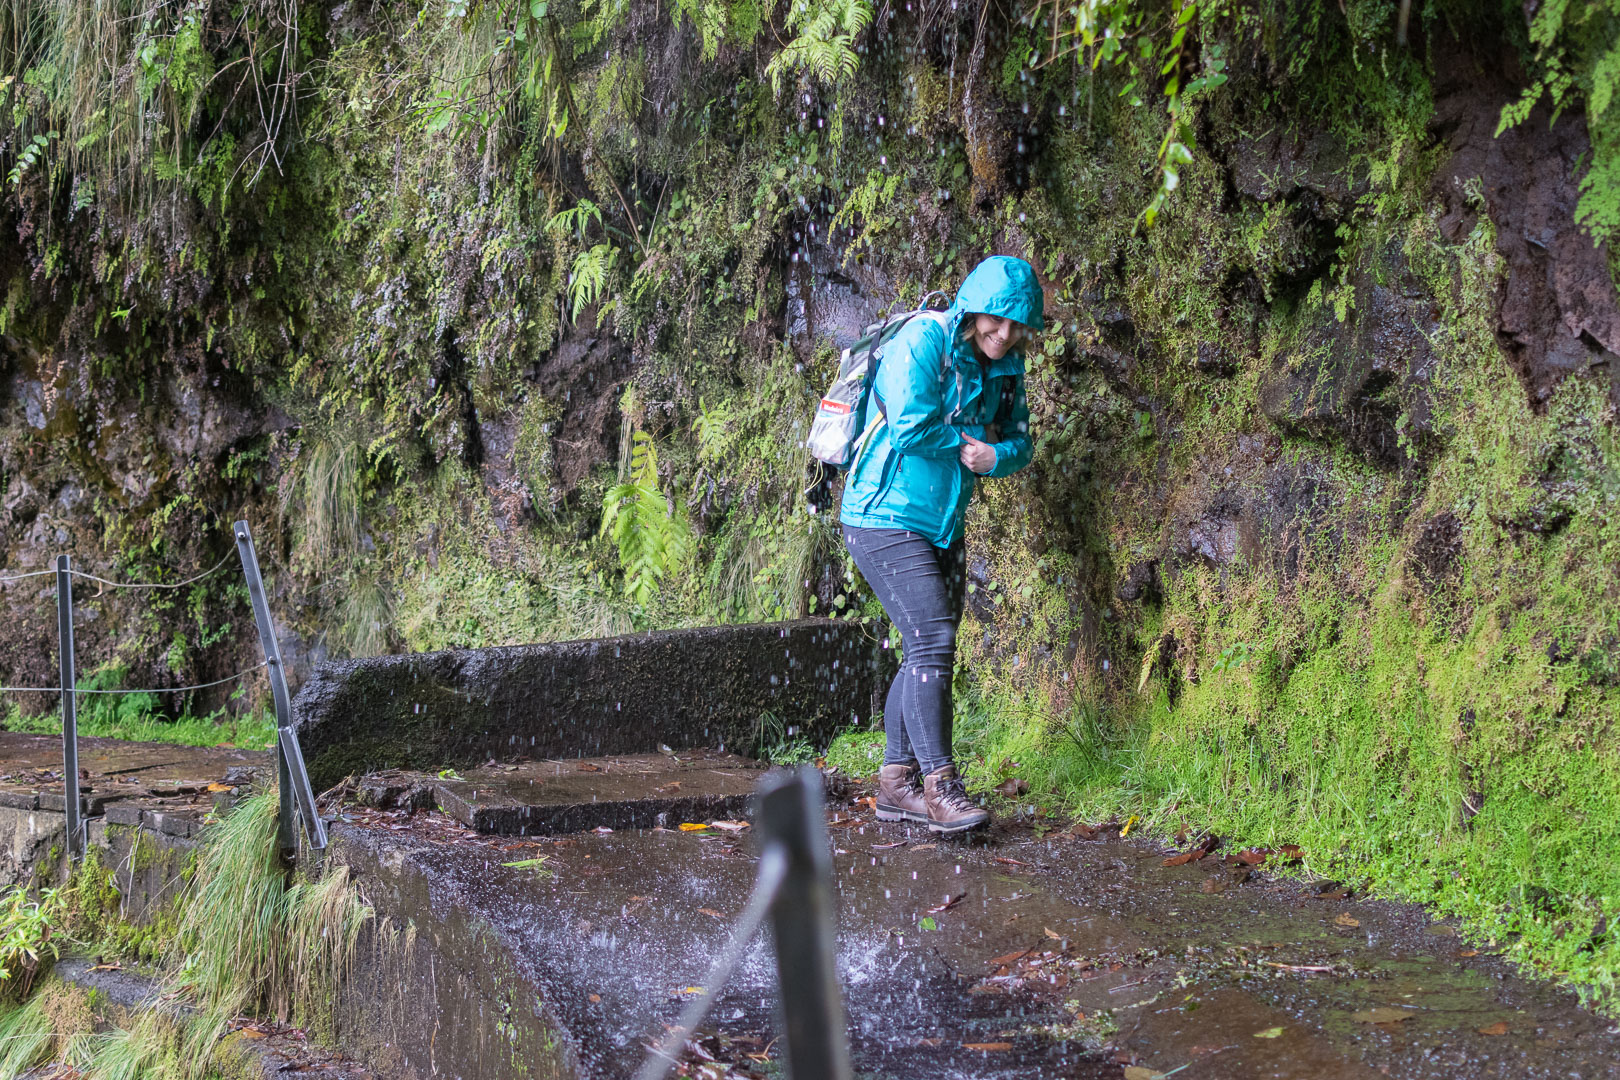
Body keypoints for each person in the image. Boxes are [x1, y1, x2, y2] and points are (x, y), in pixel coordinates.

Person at [840, 256, 1042, 834]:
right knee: (933, 636)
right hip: (881, 515)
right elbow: (908, 424)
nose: (1003, 335)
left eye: (1015, 326)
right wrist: (965, 444)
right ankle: (940, 788)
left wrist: (996, 456)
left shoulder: (1007, 369)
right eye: (995, 321)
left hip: (941, 524)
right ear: (973, 308)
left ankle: (895, 784)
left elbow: (1022, 442)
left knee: (922, 645)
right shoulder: (925, 339)